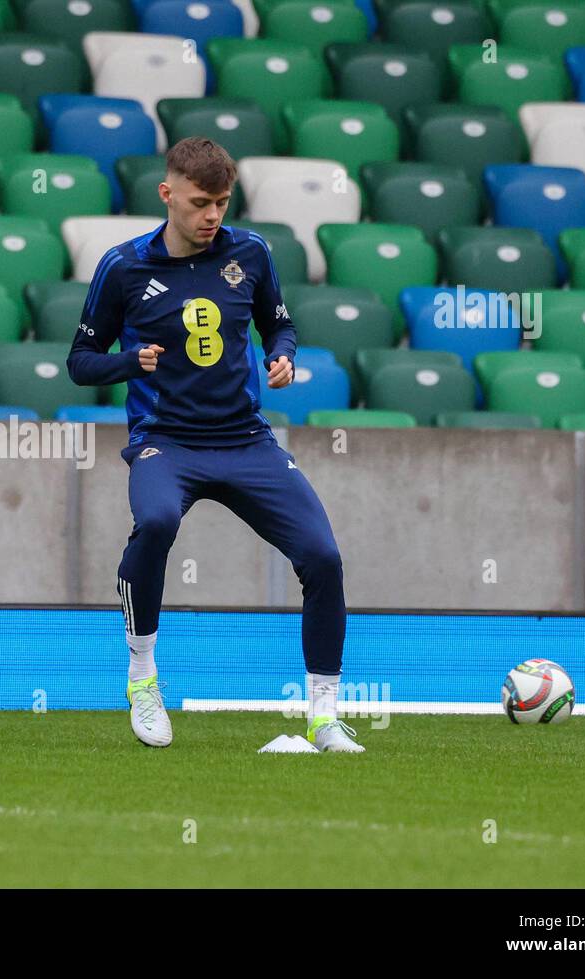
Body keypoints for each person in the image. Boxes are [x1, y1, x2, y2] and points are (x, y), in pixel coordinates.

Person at [67, 136, 362, 752]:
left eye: (222, 203)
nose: (212, 217)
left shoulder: (250, 253)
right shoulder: (124, 266)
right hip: (166, 443)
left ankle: (324, 713)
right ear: (167, 194)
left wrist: (282, 355)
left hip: (245, 440)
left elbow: (279, 323)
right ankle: (143, 675)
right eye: (201, 202)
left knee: (324, 558)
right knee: (153, 523)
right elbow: (80, 362)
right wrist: (130, 362)